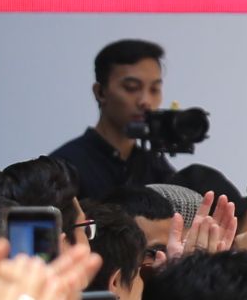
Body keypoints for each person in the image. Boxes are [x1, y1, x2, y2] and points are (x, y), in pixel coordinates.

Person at [49, 38, 182, 201]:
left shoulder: (156, 167)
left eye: (154, 89)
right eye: (131, 87)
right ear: (100, 92)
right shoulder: (64, 167)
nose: (145, 101)